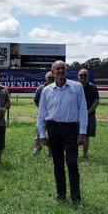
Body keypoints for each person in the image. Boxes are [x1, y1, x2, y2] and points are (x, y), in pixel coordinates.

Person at [37, 60, 88, 206]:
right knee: (57, 164)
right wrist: (42, 135)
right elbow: (41, 114)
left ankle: (76, 198)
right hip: (53, 129)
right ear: (52, 72)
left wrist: (83, 132)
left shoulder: (76, 87)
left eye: (62, 68)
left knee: (72, 163)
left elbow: (83, 111)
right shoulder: (47, 90)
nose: (60, 71)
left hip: (71, 129)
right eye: (57, 69)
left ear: (66, 70)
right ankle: (61, 195)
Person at [78, 68, 100, 158]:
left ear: (88, 76)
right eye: (81, 75)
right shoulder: (74, 87)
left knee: (86, 136)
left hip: (89, 115)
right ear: (78, 76)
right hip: (75, 116)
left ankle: (85, 155)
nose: (83, 77)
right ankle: (74, 154)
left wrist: (87, 112)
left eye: (85, 75)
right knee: (74, 135)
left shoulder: (93, 88)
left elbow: (96, 102)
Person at [32, 71, 54, 155]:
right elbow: (36, 100)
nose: (51, 79)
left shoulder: (57, 88)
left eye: (52, 77)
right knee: (38, 134)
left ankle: (51, 151)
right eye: (49, 77)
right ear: (45, 79)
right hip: (41, 116)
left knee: (52, 135)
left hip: (53, 116)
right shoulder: (40, 88)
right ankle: (37, 150)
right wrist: (42, 109)